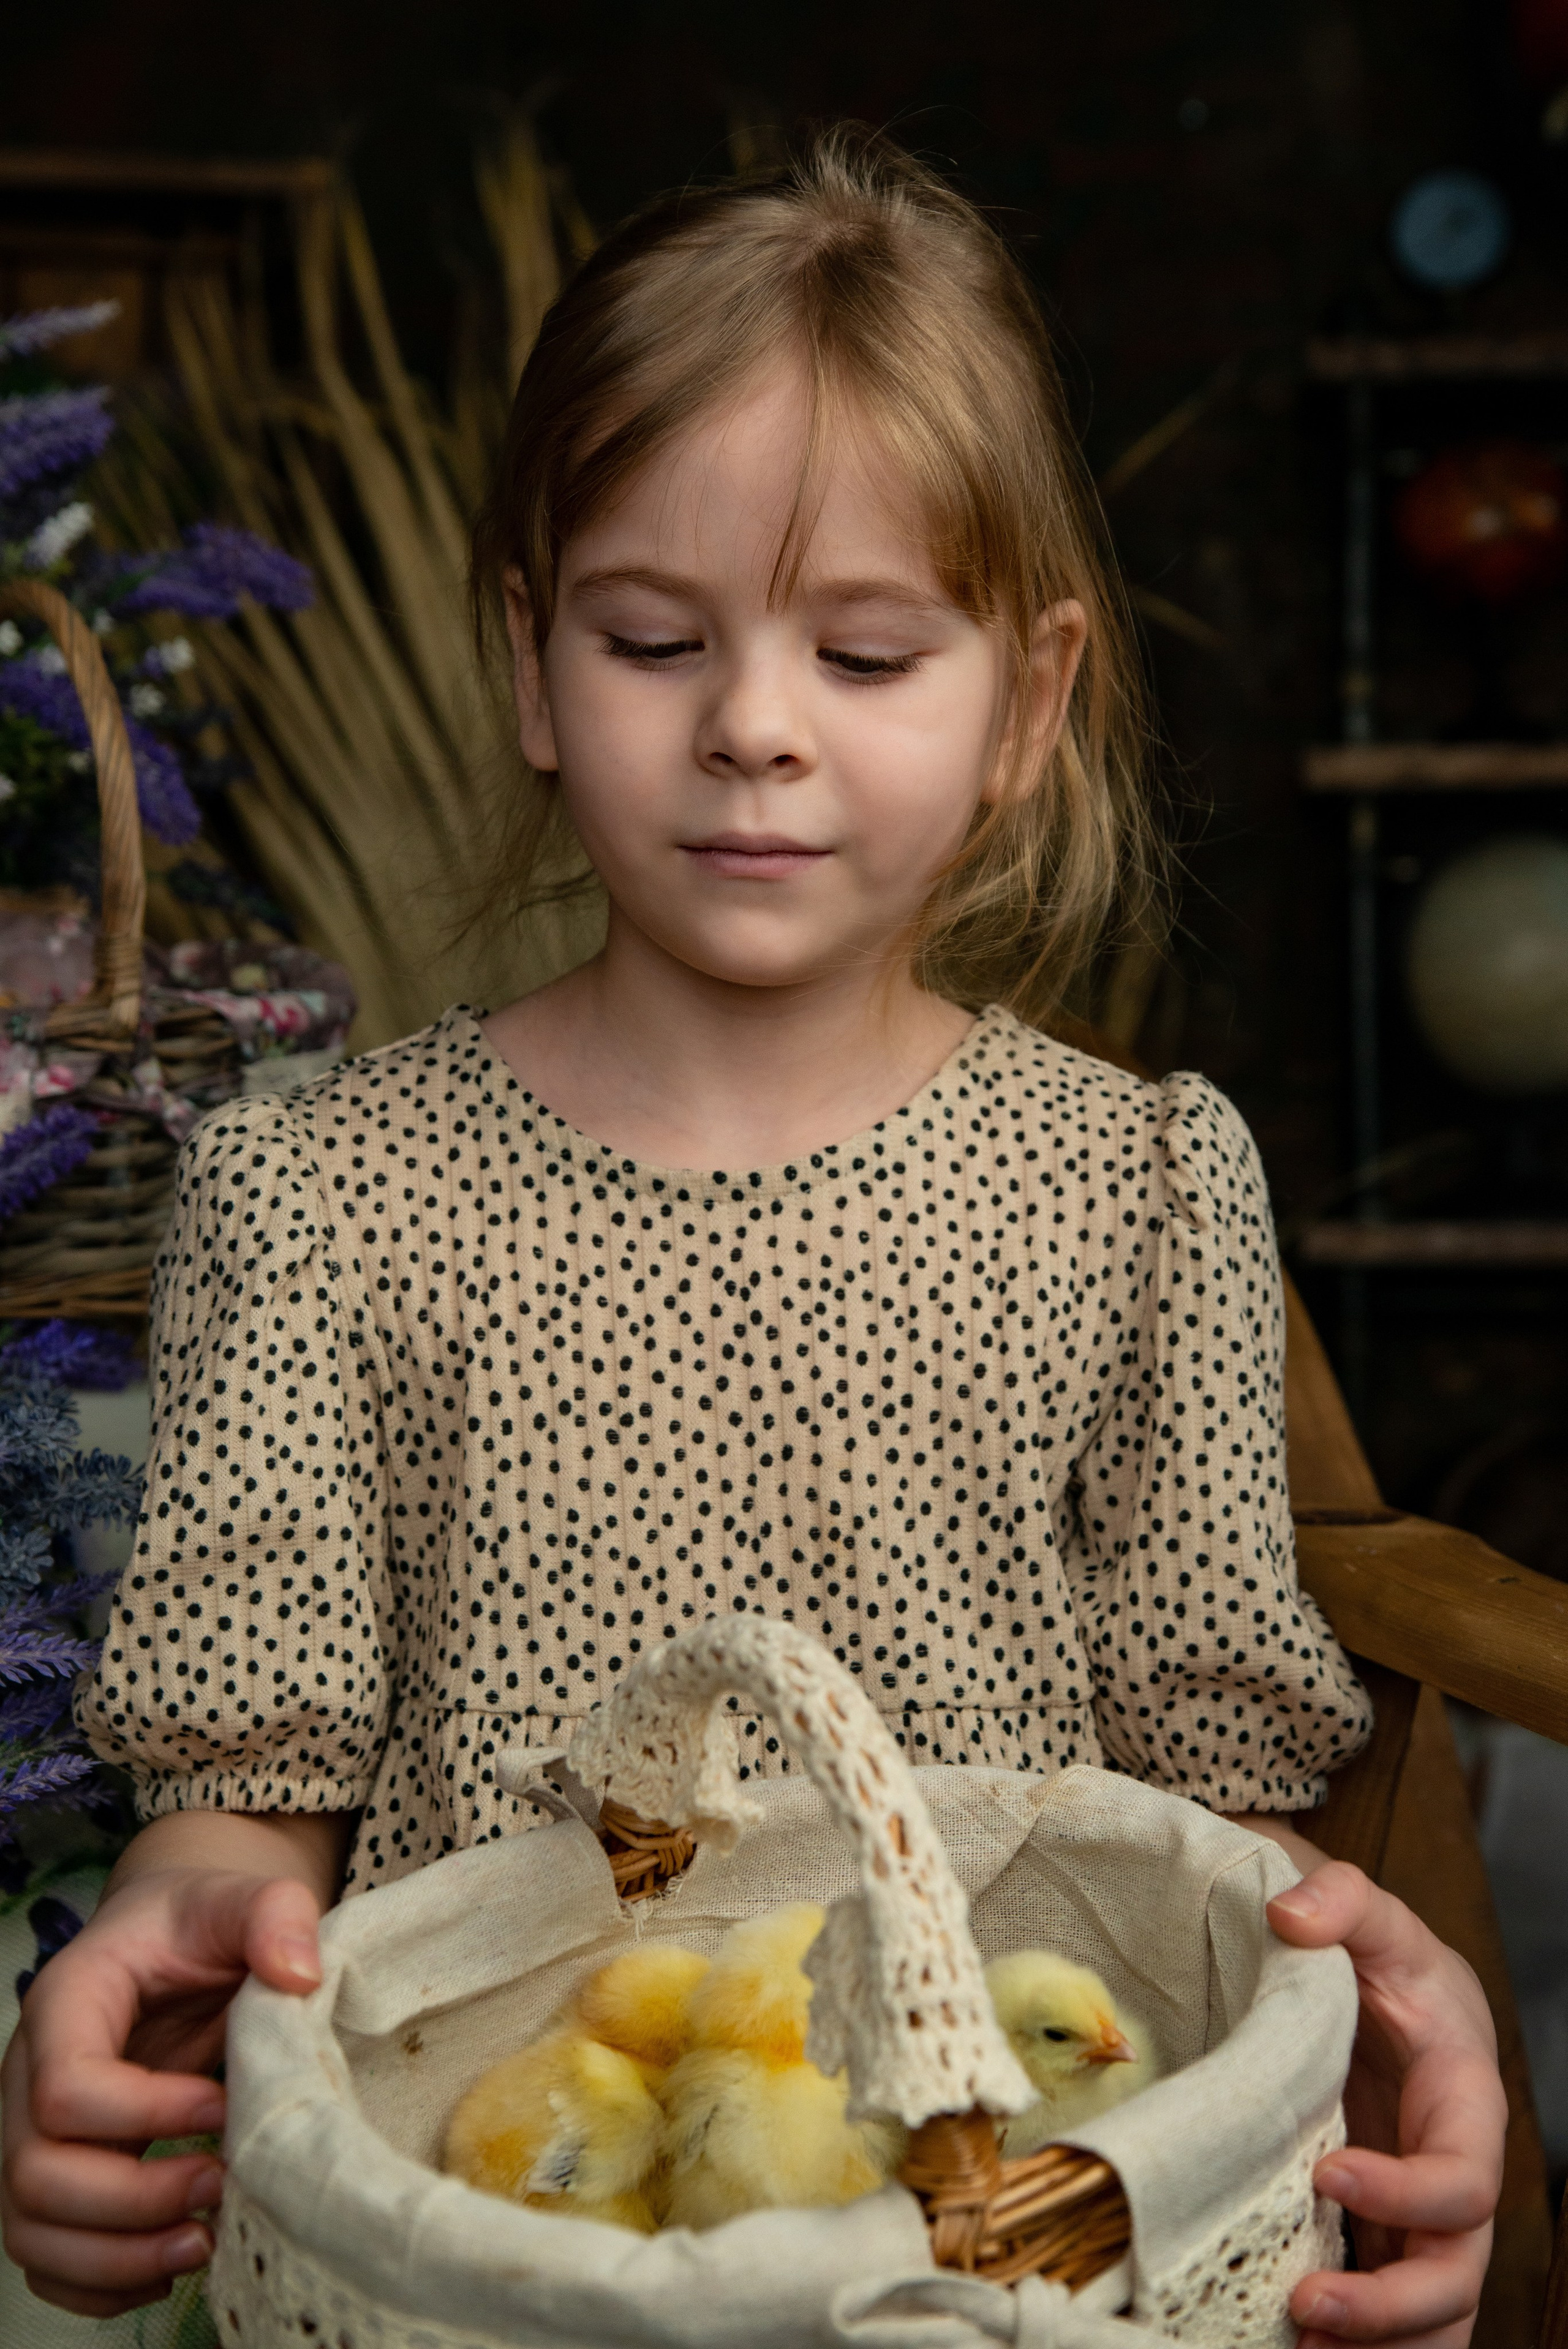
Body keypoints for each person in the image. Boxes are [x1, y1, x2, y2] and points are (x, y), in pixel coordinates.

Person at [1, 130, 1504, 2342]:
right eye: (650, 636)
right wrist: (155, 1963)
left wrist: (1390, 2017)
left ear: (1031, 704)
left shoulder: (1135, 1187)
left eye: (872, 652)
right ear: (532, 664)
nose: (754, 727)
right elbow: (251, 1814)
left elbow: (1215, 1860)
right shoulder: (314, 1199)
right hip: (505, 2248)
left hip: (1010, 2262)